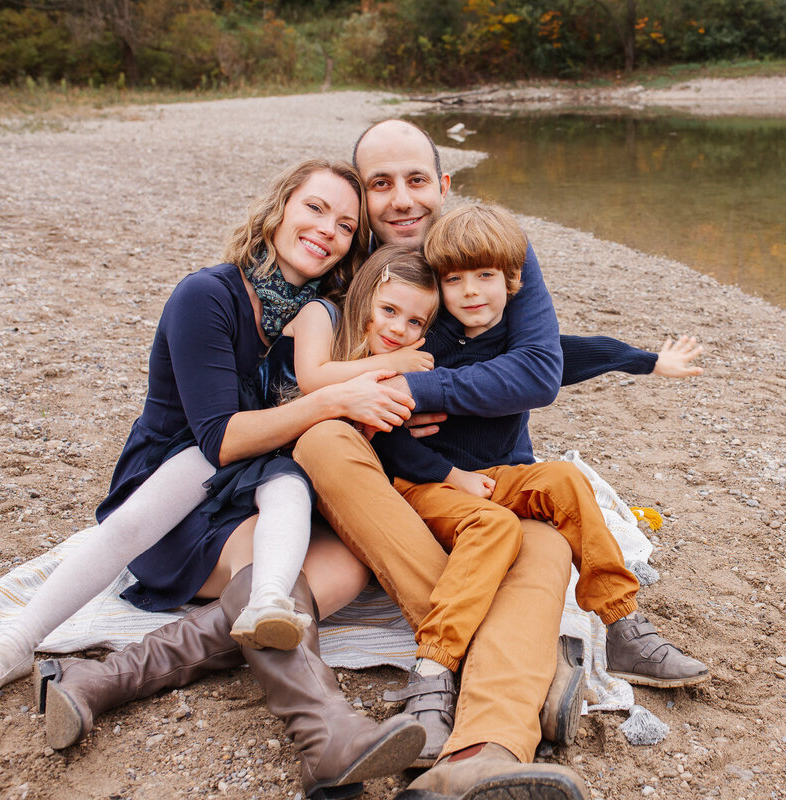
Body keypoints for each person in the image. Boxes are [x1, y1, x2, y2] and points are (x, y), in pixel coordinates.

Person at [294, 119, 705, 800]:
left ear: (443, 185)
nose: (400, 199)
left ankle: (485, 747)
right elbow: (302, 378)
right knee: (330, 439)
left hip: (490, 475)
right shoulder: (340, 263)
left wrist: (643, 360)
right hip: (393, 481)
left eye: (416, 180)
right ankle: (463, 674)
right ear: (360, 197)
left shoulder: (488, 250)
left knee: (540, 547)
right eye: (379, 184)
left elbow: (544, 368)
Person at [0, 159, 426, 800]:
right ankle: (326, 733)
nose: (325, 229)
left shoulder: (326, 318)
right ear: (280, 208)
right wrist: (338, 401)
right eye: (313, 208)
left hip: (264, 486)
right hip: (181, 495)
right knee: (273, 570)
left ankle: (96, 683)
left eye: (344, 223)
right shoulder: (209, 295)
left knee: (347, 570)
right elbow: (219, 440)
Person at [358, 205, 708, 747]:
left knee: (566, 478)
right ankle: (433, 669)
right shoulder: (424, 346)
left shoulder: (518, 343)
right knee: (492, 528)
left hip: (495, 474)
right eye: (454, 280)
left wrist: (645, 362)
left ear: (512, 281)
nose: (471, 292)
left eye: (486, 277)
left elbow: (572, 355)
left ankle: (624, 627)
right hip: (425, 485)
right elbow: (392, 440)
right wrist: (450, 475)